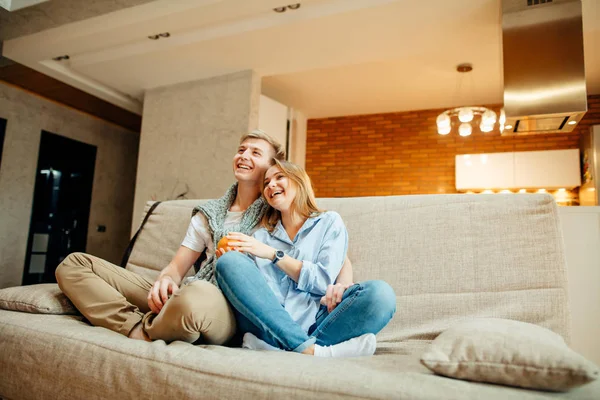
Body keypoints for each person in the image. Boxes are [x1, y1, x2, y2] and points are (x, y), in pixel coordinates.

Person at [55, 130, 354, 345]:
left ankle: (163, 321)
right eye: (241, 149)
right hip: (192, 287)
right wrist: (165, 281)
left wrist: (342, 286)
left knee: (192, 300)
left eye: (255, 152)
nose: (244, 155)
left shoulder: (277, 206)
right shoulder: (208, 213)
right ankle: (136, 328)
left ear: (274, 167)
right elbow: (177, 266)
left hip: (226, 303)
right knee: (75, 264)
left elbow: (333, 254)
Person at [215, 160, 396, 357]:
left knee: (380, 294)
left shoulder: (329, 222)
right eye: (266, 183)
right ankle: (315, 351)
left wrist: (273, 254)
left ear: (299, 182)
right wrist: (234, 263)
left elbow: (321, 281)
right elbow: (255, 295)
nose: (270, 185)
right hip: (270, 324)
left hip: (318, 321)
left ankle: (286, 348)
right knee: (229, 262)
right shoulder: (259, 237)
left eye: (279, 177)